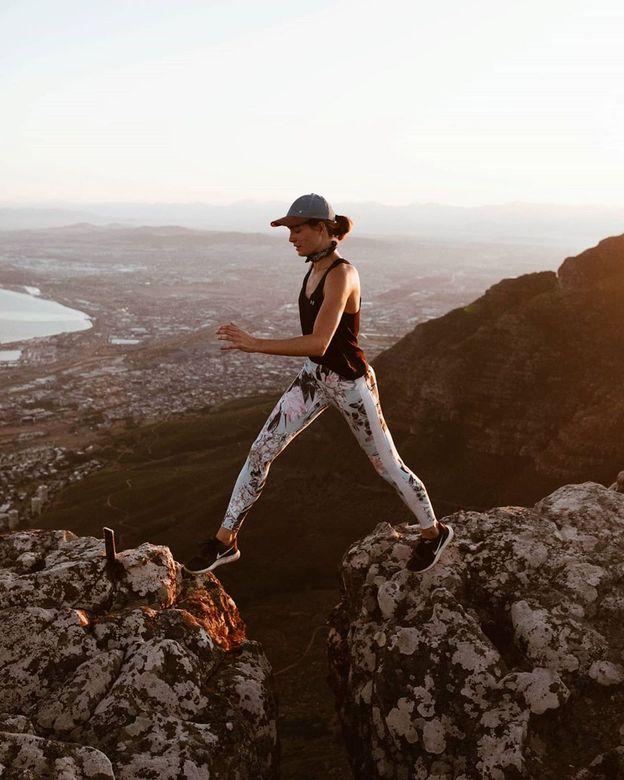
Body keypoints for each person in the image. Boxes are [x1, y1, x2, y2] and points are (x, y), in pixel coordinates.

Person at [183, 193, 453, 575]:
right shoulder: (313, 269)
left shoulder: (342, 274)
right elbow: (316, 352)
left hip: (349, 383)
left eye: (297, 229)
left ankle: (434, 531)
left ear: (322, 229)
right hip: (314, 378)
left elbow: (319, 342)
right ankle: (225, 541)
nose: (291, 237)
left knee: (385, 464)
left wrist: (256, 344)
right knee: (261, 451)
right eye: (289, 230)